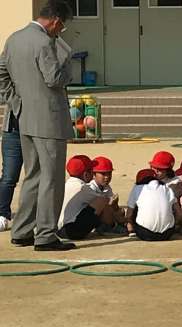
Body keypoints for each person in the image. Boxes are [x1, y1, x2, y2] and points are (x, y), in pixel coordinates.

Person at [0, 0, 75, 250]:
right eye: (62, 27)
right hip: (50, 119)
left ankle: (22, 230)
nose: (60, 31)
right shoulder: (44, 42)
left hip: (24, 117)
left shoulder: (14, 38)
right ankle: (46, 235)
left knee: (33, 175)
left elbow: (1, 73)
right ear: (55, 21)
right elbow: (54, 78)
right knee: (51, 178)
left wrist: (15, 101)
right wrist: (68, 64)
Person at [58, 155, 115, 240]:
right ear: (85, 174)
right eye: (91, 171)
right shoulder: (83, 188)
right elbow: (106, 203)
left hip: (59, 230)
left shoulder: (66, 185)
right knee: (102, 201)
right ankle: (110, 227)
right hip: (71, 231)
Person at [126, 168, 181, 242]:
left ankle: (131, 231)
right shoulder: (167, 188)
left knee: (135, 207)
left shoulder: (137, 188)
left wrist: (130, 225)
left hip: (145, 234)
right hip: (167, 234)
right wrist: (174, 224)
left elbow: (129, 215)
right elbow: (178, 212)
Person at [89, 156, 127, 235]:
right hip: (92, 218)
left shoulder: (107, 187)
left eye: (109, 173)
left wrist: (115, 205)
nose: (107, 177)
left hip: (101, 216)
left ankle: (118, 225)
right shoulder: (90, 187)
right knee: (107, 206)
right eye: (103, 174)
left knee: (121, 211)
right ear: (93, 174)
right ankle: (108, 227)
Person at [0, 106, 23, 232]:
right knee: (9, 176)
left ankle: (37, 216)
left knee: (37, 175)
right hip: (12, 130)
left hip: (37, 131)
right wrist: (16, 104)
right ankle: (2, 214)